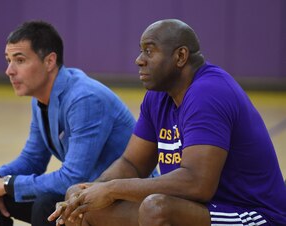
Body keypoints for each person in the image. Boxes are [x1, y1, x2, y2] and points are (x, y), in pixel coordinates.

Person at [48, 19, 286, 226]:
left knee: (156, 209)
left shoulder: (209, 93)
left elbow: (197, 183)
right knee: (82, 201)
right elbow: (132, 163)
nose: (139, 60)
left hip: (251, 215)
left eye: (149, 51)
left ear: (180, 56)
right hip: (199, 209)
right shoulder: (158, 96)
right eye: (141, 51)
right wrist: (93, 190)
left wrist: (111, 190)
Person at [0, 20, 136, 226]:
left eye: (19, 60)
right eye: (8, 60)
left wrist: (6, 183)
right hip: (84, 195)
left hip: (121, 201)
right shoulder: (40, 99)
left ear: (49, 61)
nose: (9, 71)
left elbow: (73, 178)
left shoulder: (85, 99)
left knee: (47, 205)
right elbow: (32, 160)